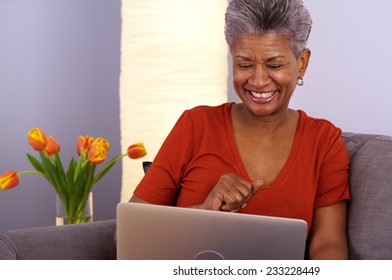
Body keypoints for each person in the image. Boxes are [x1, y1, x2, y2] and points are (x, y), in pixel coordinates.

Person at [128, 0, 350, 260]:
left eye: (274, 65)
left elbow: (328, 243)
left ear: (301, 63)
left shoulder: (324, 141)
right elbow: (128, 236)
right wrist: (207, 210)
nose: (257, 81)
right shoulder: (195, 126)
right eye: (244, 65)